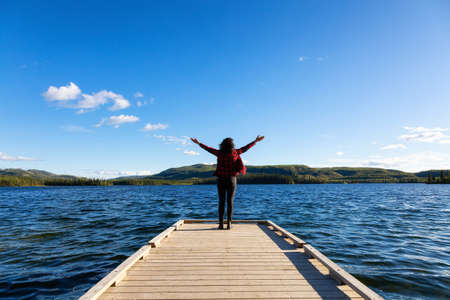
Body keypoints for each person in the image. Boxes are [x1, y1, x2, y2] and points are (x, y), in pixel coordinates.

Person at [190, 135, 265, 230]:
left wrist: (198, 143)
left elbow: (208, 149)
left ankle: (221, 224)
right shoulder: (236, 152)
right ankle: (229, 223)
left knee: (221, 201)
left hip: (221, 179)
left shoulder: (219, 153)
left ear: (222, 145)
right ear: (232, 145)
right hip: (232, 179)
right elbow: (246, 148)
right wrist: (255, 141)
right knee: (230, 201)